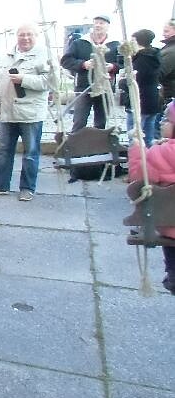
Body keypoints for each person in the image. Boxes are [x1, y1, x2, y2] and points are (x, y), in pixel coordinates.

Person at [0, 24, 51, 201]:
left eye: (29, 34)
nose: (25, 38)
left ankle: (27, 188)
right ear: (16, 36)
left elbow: (50, 82)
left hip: (30, 113)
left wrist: (24, 79)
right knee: (3, 150)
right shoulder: (8, 55)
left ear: (36, 36)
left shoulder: (44, 56)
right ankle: (0, 185)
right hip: (7, 111)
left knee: (30, 153)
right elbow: (0, 81)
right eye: (22, 34)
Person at [127, 101, 175, 295]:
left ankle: (173, 274)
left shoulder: (161, 153)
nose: (162, 122)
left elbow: (139, 177)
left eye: (167, 120)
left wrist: (137, 150)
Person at [60, 15, 120, 132]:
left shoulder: (115, 45)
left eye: (101, 23)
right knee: (79, 120)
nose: (98, 25)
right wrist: (83, 64)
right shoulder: (79, 43)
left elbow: (122, 63)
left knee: (101, 122)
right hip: (83, 87)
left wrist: (112, 67)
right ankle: (76, 142)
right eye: (96, 23)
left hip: (105, 87)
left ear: (108, 26)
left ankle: (96, 142)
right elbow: (66, 61)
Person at [120, 29, 161, 145]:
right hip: (152, 101)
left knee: (135, 138)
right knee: (148, 137)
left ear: (136, 42)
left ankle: (137, 157)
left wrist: (121, 81)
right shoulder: (154, 57)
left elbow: (133, 82)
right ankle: (148, 155)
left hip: (139, 102)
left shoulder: (141, 60)